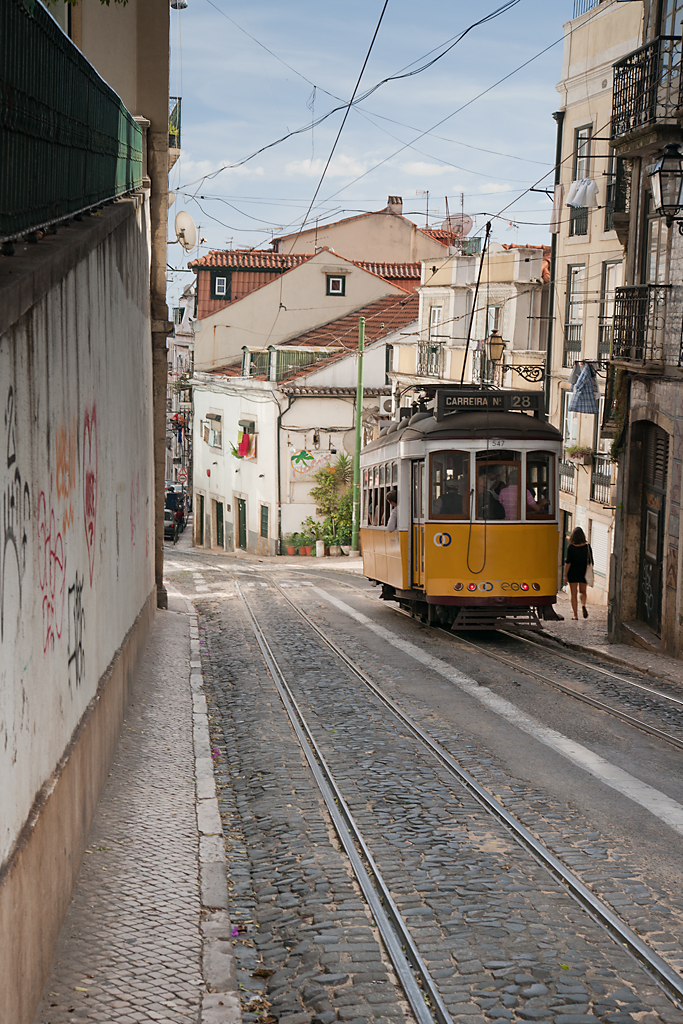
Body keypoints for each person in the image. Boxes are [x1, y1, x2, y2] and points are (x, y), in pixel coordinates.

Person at [563, 526, 593, 619]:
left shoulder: (571, 547)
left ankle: (575, 615)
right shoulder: (587, 547)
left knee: (573, 594)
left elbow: (568, 562)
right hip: (583, 571)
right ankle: (583, 604)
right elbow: (591, 560)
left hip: (573, 572)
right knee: (583, 592)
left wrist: (565, 575)